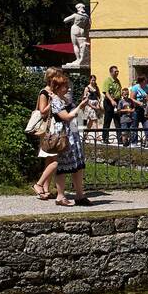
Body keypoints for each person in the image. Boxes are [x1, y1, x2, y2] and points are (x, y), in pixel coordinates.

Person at [49, 71, 90, 207]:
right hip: (64, 136)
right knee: (63, 166)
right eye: (65, 86)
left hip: (73, 133)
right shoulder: (55, 101)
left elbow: (77, 118)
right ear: (57, 87)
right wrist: (79, 106)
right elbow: (66, 117)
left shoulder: (65, 100)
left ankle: (80, 194)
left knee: (77, 166)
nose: (67, 88)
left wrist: (82, 106)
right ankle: (60, 196)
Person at [31, 67, 64, 200]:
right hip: (47, 130)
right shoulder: (44, 92)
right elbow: (43, 111)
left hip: (52, 129)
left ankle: (45, 188)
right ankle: (38, 185)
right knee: (54, 160)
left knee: (49, 159)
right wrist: (53, 102)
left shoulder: (53, 92)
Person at [101, 64, 123, 144]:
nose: (117, 73)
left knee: (118, 121)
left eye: (117, 71)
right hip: (108, 102)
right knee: (107, 120)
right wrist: (111, 100)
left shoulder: (117, 81)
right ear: (111, 72)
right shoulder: (107, 80)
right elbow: (105, 92)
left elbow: (119, 92)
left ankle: (120, 139)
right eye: (115, 71)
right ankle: (105, 138)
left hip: (117, 102)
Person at [130, 74, 148, 140]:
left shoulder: (146, 87)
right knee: (135, 125)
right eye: (145, 81)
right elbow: (132, 98)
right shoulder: (135, 88)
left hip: (144, 109)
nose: (146, 82)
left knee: (146, 124)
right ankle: (134, 140)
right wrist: (139, 102)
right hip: (136, 108)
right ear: (141, 81)